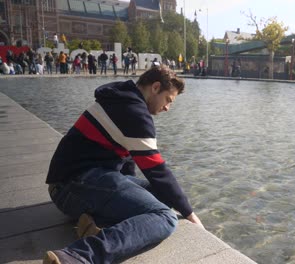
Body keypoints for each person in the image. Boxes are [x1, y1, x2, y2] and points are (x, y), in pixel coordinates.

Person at [43, 65, 204, 264]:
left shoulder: (124, 99)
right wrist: (190, 214)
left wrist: (132, 196)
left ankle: (97, 224)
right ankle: (78, 256)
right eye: (168, 100)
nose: (167, 108)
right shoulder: (133, 111)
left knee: (163, 195)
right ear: (155, 88)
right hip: (71, 186)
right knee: (165, 217)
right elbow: (157, 171)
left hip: (79, 179)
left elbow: (128, 160)